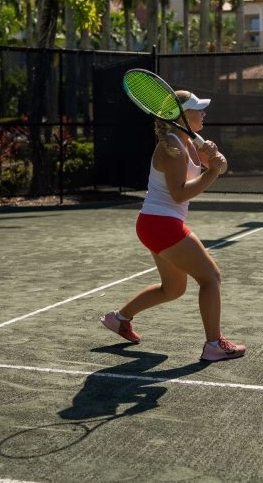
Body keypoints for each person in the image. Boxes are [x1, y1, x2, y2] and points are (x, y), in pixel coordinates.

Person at [101, 89, 246, 362]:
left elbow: (220, 166)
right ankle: (214, 345)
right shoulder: (171, 147)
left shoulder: (188, 141)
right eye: (198, 109)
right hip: (161, 223)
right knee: (211, 278)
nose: (203, 113)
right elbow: (180, 193)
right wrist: (213, 171)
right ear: (181, 115)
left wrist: (216, 161)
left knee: (173, 289)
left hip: (156, 223)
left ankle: (118, 319)